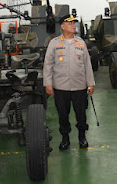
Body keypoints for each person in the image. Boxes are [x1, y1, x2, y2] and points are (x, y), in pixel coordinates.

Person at [43, 14, 95, 150]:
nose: (73, 25)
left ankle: (82, 137)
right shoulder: (54, 43)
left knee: (81, 114)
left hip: (79, 86)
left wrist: (90, 83)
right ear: (62, 26)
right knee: (62, 114)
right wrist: (48, 83)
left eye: (74, 23)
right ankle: (65, 138)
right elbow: (48, 64)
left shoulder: (81, 43)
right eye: (69, 23)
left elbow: (87, 65)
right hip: (61, 87)